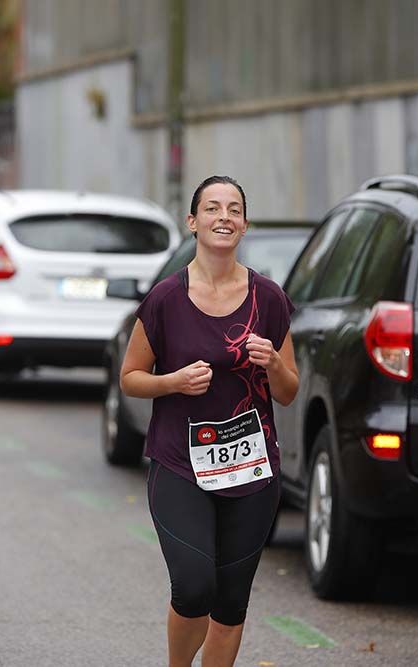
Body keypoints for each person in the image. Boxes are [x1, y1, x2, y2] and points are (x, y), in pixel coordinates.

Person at [120, 175, 299, 667]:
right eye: (213, 208)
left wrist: (274, 363)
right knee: (194, 586)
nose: (225, 217)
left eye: (234, 209)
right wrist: (173, 381)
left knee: (231, 602)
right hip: (181, 465)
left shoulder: (269, 298)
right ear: (193, 222)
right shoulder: (165, 298)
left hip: (251, 470)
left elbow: (288, 391)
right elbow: (130, 378)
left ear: (245, 224)